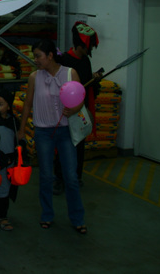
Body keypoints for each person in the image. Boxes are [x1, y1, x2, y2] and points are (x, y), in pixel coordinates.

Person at [18, 39, 87, 234]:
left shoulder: (70, 73)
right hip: (43, 132)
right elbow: (27, 103)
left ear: (50, 56)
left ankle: (77, 218)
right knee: (46, 176)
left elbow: (80, 98)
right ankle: (47, 214)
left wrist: (74, 109)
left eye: (38, 56)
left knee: (71, 177)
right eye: (34, 57)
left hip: (65, 131)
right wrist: (21, 129)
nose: (35, 60)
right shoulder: (34, 77)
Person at [54, 21, 101, 193]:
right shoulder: (64, 60)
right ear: (80, 45)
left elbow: (87, 85)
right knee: (63, 144)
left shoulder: (86, 61)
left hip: (81, 109)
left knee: (79, 144)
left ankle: (77, 175)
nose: (90, 50)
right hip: (65, 110)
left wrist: (94, 80)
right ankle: (59, 178)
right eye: (88, 47)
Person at [0, 88, 23, 231]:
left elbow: (18, 139)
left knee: (6, 187)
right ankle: (2, 216)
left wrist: (19, 150)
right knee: (3, 188)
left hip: (11, 160)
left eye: (1, 104)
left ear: (9, 106)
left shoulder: (13, 121)